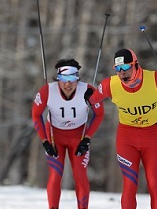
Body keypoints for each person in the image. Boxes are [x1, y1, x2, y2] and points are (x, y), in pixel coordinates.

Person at [84, 49, 157, 209]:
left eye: (126, 68)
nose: (122, 73)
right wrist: (89, 98)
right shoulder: (110, 85)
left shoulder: (155, 79)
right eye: (118, 69)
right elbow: (94, 99)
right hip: (126, 137)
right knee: (129, 184)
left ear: (136, 65)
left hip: (152, 136)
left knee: (154, 183)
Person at [32, 58, 104, 209]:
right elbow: (36, 115)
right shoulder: (47, 91)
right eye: (63, 79)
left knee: (80, 176)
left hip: (78, 138)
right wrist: (45, 141)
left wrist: (88, 138)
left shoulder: (88, 91)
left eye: (72, 78)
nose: (68, 84)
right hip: (54, 136)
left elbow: (99, 114)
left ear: (77, 78)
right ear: (58, 78)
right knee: (55, 175)